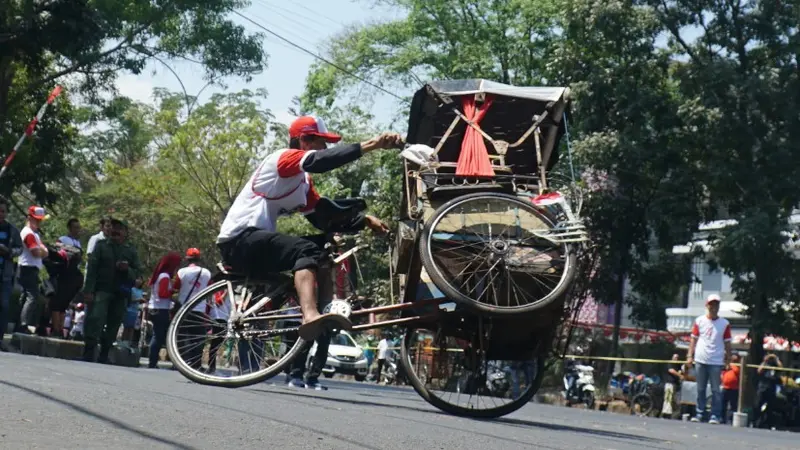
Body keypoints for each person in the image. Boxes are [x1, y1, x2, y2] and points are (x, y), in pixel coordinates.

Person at [216, 115, 399, 341]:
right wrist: (373, 145)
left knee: (320, 248)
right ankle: (309, 315)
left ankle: (324, 310)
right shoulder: (282, 159)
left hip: (255, 243)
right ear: (305, 141)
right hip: (238, 241)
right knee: (305, 249)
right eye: (322, 142)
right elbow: (322, 161)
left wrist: (365, 221)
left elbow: (323, 219)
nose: (325, 147)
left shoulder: (303, 184)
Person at [82, 218, 140, 363]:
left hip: (121, 293)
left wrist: (128, 270)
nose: (115, 231)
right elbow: (92, 270)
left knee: (114, 323)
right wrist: (88, 291)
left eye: (119, 229)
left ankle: (104, 354)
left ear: (125, 233)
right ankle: (89, 352)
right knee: (96, 319)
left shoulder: (130, 250)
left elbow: (139, 274)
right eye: (113, 228)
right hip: (102, 289)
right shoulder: (101, 246)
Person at [687, 294, 731, 424]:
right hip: (701, 358)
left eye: (716, 304)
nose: (714, 307)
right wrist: (690, 355)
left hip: (716, 361)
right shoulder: (699, 321)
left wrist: (728, 359)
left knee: (716, 389)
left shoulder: (724, 324)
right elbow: (693, 340)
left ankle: (715, 415)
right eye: (711, 304)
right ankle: (699, 413)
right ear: (707, 306)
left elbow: (728, 343)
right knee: (700, 388)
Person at [174, 248, 211, 369]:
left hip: (183, 309)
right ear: (199, 259)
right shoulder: (206, 273)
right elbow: (210, 289)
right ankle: (195, 364)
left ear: (187, 258)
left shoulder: (181, 272)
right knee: (198, 338)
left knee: (181, 336)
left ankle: (179, 362)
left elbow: (175, 288)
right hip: (199, 309)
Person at [147, 251, 182, 368]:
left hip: (155, 308)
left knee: (158, 335)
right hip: (160, 309)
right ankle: (152, 362)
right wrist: (173, 292)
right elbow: (162, 293)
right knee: (158, 336)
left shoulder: (160, 275)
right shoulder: (165, 276)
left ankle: (153, 361)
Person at [17, 206, 49, 334]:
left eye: (40, 220)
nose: (39, 223)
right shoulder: (28, 233)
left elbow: (42, 250)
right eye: (36, 220)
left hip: (31, 268)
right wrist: (43, 251)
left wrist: (43, 250)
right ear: (29, 218)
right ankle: (23, 323)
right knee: (32, 296)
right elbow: (36, 252)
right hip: (27, 268)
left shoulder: (34, 234)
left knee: (26, 296)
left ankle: (20, 323)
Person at [50, 218, 84, 337]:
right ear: (69, 228)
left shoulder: (78, 243)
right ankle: (55, 328)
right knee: (57, 302)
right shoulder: (63, 239)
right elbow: (57, 248)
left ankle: (61, 327)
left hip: (74, 275)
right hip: (63, 273)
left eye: (78, 227)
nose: (77, 230)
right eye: (75, 227)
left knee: (65, 303)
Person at [0, 199, 22, 349]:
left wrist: (8, 252)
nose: (1, 214)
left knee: (4, 306)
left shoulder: (12, 230)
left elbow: (19, 249)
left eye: (3, 211)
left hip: (5, 275)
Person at [755, 353, 783, 429]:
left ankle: (768, 423)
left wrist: (776, 358)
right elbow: (759, 370)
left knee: (770, 407)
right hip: (762, 387)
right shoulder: (765, 364)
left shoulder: (775, 366)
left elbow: (781, 368)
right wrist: (766, 360)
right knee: (758, 405)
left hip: (771, 388)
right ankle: (756, 422)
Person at [661, 354, 683, 418]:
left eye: (677, 358)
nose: (676, 359)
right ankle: (666, 413)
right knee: (668, 398)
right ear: (672, 357)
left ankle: (670, 413)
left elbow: (681, 371)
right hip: (669, 384)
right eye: (675, 357)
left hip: (675, 384)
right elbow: (671, 370)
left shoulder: (678, 365)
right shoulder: (670, 363)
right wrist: (679, 375)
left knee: (673, 400)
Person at [720, 353, 740, 424]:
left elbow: (737, 371)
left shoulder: (738, 365)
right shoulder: (727, 365)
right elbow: (722, 372)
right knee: (723, 404)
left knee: (733, 405)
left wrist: (731, 365)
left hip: (734, 388)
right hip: (725, 387)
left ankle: (731, 420)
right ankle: (722, 418)